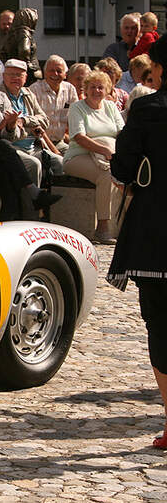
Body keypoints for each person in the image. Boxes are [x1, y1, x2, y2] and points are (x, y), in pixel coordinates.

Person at [106, 35, 167, 450]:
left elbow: (123, 169)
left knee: (161, 325)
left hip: (155, 228)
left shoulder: (146, 108)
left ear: (159, 69)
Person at [0, 58, 60, 221]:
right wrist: (0, 126)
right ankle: (33, 195)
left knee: (5, 170)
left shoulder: (1, 97)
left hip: (0, 149)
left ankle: (10, 219)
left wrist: (10, 127)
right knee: (4, 149)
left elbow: (15, 134)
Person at [63, 70, 124, 244]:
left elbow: (121, 131)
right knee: (105, 175)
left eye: (100, 87)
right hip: (77, 157)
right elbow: (79, 137)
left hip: (106, 157)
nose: (97, 91)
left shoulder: (111, 107)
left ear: (106, 90)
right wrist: (104, 149)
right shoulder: (77, 107)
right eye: (93, 87)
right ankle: (103, 228)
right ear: (85, 89)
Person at [0, 58, 62, 181]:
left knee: (59, 162)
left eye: (19, 75)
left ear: (25, 77)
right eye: (11, 74)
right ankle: (32, 200)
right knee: (34, 165)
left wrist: (24, 121)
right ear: (3, 76)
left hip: (34, 147)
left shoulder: (28, 94)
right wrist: (30, 127)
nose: (15, 78)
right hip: (12, 148)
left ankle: (54, 198)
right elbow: (8, 129)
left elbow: (44, 120)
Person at [30, 54, 79, 153]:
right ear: (44, 73)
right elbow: (34, 126)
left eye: (59, 71)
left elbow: (76, 119)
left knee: (80, 158)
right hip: (38, 143)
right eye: (51, 70)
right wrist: (55, 151)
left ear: (65, 75)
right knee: (60, 162)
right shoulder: (34, 90)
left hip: (60, 142)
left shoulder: (70, 89)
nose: (55, 74)